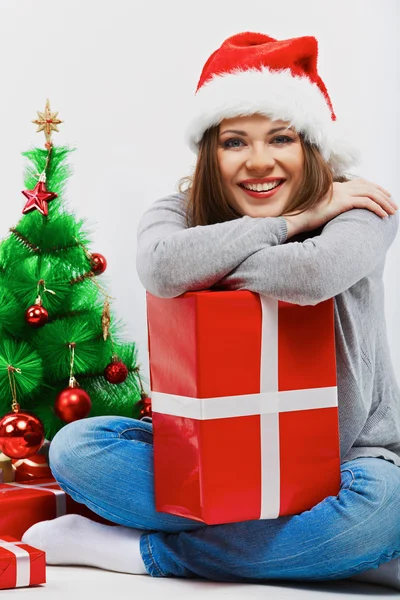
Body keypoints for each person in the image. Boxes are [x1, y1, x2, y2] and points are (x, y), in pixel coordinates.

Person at [22, 32, 400, 590]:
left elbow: (311, 276)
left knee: (377, 514)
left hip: (347, 462)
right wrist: (293, 222)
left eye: (281, 139)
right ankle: (316, 548)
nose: (259, 162)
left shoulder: (360, 207)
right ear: (209, 151)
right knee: (76, 449)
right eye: (234, 142)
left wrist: (207, 259)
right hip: (212, 455)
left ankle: (146, 553)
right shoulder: (177, 209)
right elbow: (161, 268)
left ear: (312, 146)